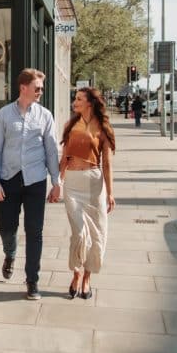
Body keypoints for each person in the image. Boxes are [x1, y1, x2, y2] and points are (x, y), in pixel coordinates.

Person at [0, 68, 61, 300]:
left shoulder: (45, 116)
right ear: (23, 88)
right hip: (9, 179)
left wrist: (57, 181)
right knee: (7, 228)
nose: (40, 91)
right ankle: (10, 253)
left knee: (35, 232)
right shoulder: (5, 115)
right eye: (37, 87)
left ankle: (32, 281)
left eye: (41, 88)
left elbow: (51, 150)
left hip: (36, 181)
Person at [58, 87, 116, 300]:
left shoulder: (103, 128)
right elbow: (64, 158)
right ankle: (75, 272)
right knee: (79, 233)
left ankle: (87, 278)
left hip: (94, 184)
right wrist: (57, 183)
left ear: (90, 103)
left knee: (97, 234)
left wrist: (110, 193)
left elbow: (107, 164)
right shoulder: (70, 125)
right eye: (75, 98)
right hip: (72, 184)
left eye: (79, 99)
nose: (75, 102)